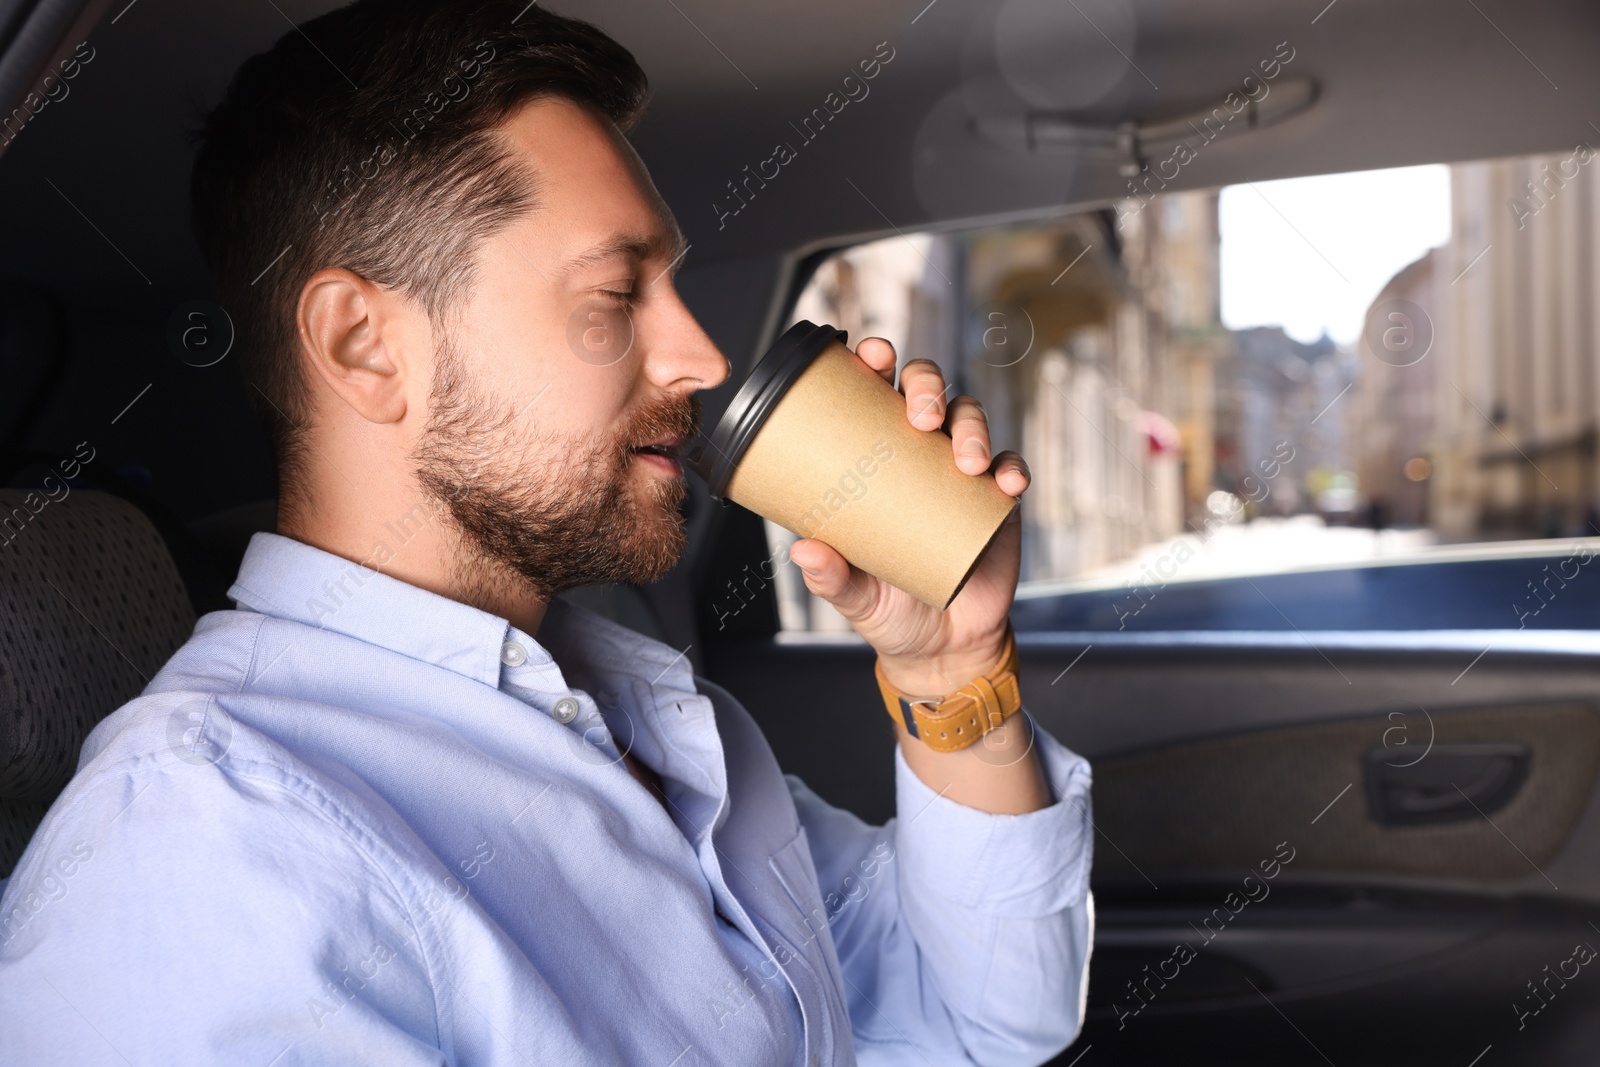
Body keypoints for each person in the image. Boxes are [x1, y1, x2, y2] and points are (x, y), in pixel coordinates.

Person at [0, 3, 1093, 1063]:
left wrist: (952, 670)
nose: (703, 358)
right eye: (617, 294)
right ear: (364, 347)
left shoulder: (652, 716)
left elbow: (982, 1022)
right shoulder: (203, 851)